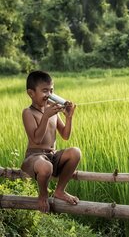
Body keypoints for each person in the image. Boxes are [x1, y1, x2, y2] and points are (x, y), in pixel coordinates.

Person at [21, 70, 81, 213]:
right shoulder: (28, 113)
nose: (49, 94)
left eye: (52, 90)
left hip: (52, 155)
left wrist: (69, 117)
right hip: (35, 157)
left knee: (75, 152)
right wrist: (46, 117)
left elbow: (65, 135)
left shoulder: (51, 110)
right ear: (31, 93)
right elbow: (36, 139)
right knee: (46, 167)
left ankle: (60, 191)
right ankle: (43, 195)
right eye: (45, 91)